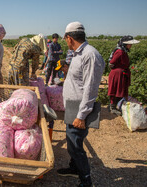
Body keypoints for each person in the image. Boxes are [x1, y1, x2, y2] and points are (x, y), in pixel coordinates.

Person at [57, 22, 105, 187]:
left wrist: (81, 115)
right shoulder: (78, 54)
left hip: (79, 109)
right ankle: (74, 168)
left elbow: (90, 89)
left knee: (75, 145)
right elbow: (81, 79)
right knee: (72, 141)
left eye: (65, 40)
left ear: (69, 38)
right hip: (73, 106)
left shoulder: (90, 55)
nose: (66, 43)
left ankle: (86, 180)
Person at [107, 36, 140, 115]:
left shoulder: (123, 51)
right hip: (117, 74)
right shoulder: (120, 52)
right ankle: (112, 107)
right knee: (115, 90)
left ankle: (115, 106)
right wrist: (119, 69)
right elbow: (111, 63)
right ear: (125, 44)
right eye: (129, 44)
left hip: (120, 74)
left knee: (119, 90)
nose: (130, 46)